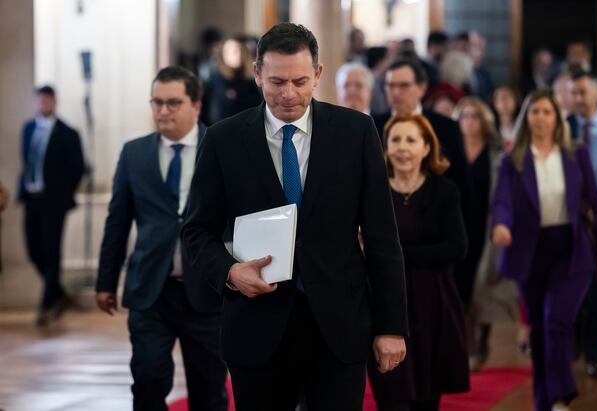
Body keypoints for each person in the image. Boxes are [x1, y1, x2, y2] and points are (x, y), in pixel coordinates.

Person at [182, 23, 408, 411]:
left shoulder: (356, 132)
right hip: (256, 326)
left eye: (300, 81)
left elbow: (383, 237)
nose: (289, 94)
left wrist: (391, 326)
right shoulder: (224, 139)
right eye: (276, 82)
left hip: (338, 324)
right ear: (257, 74)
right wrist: (230, 272)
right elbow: (196, 230)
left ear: (318, 74)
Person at [95, 67, 227, 411]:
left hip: (207, 292)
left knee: (209, 388)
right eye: (157, 102)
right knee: (148, 377)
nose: (163, 111)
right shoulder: (134, 154)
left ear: (195, 106)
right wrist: (106, 281)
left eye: (173, 103)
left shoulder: (222, 147)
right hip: (151, 289)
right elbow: (117, 221)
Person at [491, 90, 597, 411]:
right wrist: (501, 225)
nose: (541, 118)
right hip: (530, 252)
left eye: (547, 112)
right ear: (526, 118)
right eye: (535, 112)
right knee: (538, 328)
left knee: (556, 319)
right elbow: (502, 200)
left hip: (572, 250)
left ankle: (560, 397)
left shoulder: (576, 154)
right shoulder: (513, 160)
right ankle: (543, 401)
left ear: (558, 119)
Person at [367, 113, 469, 411]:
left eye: (411, 140)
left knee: (427, 398)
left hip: (433, 303)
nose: (402, 147)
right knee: (390, 396)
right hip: (384, 302)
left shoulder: (444, 191)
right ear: (385, 147)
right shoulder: (373, 190)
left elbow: (457, 248)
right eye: (395, 140)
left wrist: (396, 254)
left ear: (426, 148)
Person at [454, 97, 517, 371]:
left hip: (486, 227)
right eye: (464, 116)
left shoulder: (497, 155)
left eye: (474, 116)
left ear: (484, 121)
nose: (469, 121)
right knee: (461, 289)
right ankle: (467, 346)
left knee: (484, 286)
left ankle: (480, 342)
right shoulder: (450, 153)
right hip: (457, 228)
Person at [18, 85, 85, 326]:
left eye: (47, 100)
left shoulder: (68, 133)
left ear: (54, 102)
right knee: (34, 250)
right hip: (31, 198)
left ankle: (47, 305)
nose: (42, 104)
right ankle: (58, 293)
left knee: (51, 250)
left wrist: (63, 194)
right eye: (39, 100)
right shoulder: (28, 128)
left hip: (53, 202)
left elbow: (78, 168)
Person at [372, 59, 471, 216]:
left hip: (436, 215)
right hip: (386, 213)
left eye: (403, 85)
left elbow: (461, 180)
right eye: (390, 85)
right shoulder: (372, 125)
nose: (395, 92)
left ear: (422, 88)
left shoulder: (446, 127)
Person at [568, 71, 597, 379]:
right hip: (569, 218)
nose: (578, 98)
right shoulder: (563, 127)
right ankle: (571, 349)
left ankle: (595, 357)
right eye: (574, 93)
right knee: (569, 286)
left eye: (583, 92)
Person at [209, 37, 263, 122]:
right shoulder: (218, 79)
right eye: (232, 52)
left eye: (240, 50)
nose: (238, 55)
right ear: (223, 55)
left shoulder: (251, 79)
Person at [565, 39, 597, 113]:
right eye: (572, 54)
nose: (576, 59)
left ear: (588, 55)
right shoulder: (562, 79)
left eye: (579, 54)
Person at [493, 85, 521, 152]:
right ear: (495, 104)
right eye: (502, 98)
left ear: (515, 101)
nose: (505, 102)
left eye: (509, 98)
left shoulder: (523, 126)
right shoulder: (491, 128)